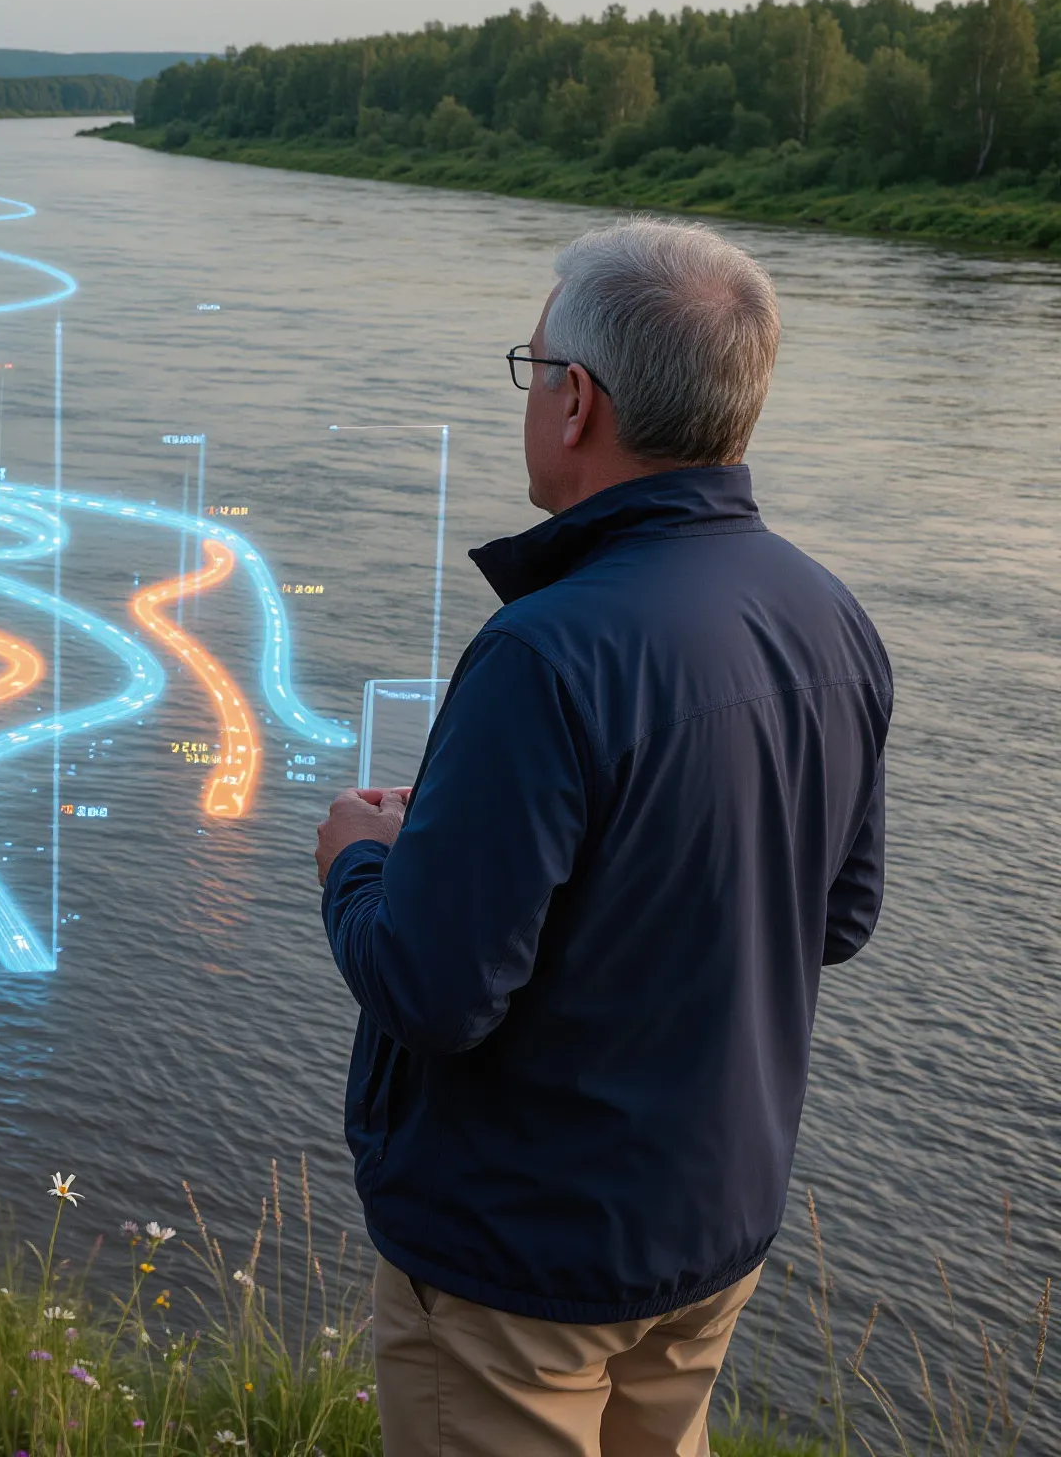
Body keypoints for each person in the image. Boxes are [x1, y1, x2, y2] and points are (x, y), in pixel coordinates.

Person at [313, 220, 891, 1457]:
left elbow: (434, 989)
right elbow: (836, 916)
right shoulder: (829, 616)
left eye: (533, 370)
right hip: (707, 1229)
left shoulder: (545, 652)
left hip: (518, 1260)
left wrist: (357, 862)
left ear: (577, 400)